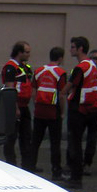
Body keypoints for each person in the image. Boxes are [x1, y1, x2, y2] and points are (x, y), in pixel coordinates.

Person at [61, 36, 97, 189]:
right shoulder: (92, 65)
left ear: (80, 49)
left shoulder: (80, 68)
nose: (70, 49)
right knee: (78, 143)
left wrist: (63, 92)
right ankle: (75, 175)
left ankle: (75, 177)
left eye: (72, 47)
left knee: (75, 144)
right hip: (88, 108)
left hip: (77, 109)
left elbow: (68, 87)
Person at [28, 47, 67, 180]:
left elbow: (33, 91)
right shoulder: (60, 73)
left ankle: (30, 167)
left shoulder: (38, 71)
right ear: (60, 58)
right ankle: (56, 171)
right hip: (53, 112)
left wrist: (36, 105)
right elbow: (62, 95)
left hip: (39, 110)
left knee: (35, 141)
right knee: (55, 143)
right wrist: (62, 112)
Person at [1, 41, 33, 169]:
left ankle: (26, 166)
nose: (29, 55)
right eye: (27, 52)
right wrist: (15, 108)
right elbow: (10, 89)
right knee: (11, 138)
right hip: (14, 108)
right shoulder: (10, 67)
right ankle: (11, 165)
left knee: (26, 137)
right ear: (19, 52)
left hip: (24, 107)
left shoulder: (25, 67)